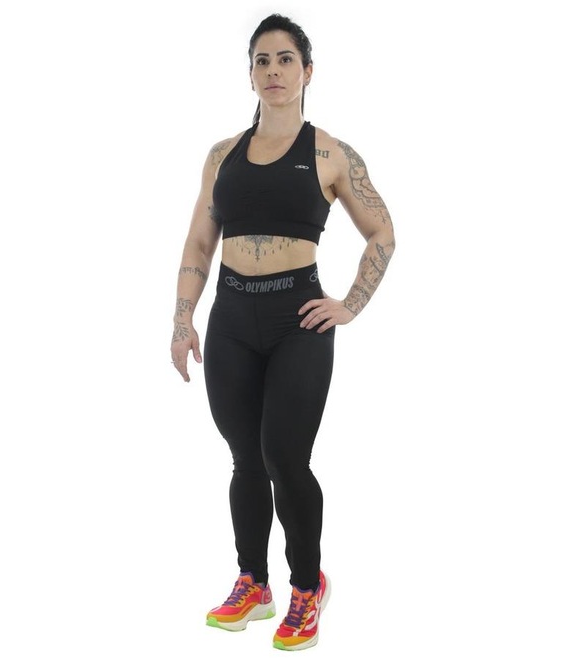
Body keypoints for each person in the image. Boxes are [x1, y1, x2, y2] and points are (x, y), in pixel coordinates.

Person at [170, 13, 395, 651]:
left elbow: (383, 231)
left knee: (285, 457)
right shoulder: (222, 156)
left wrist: (350, 304)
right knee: (245, 458)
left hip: (300, 320)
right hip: (232, 321)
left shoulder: (331, 154)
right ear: (250, 75)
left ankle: (305, 587)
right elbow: (199, 241)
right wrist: (182, 319)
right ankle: (253, 582)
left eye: (285, 59)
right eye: (262, 61)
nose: (273, 70)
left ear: (307, 71)